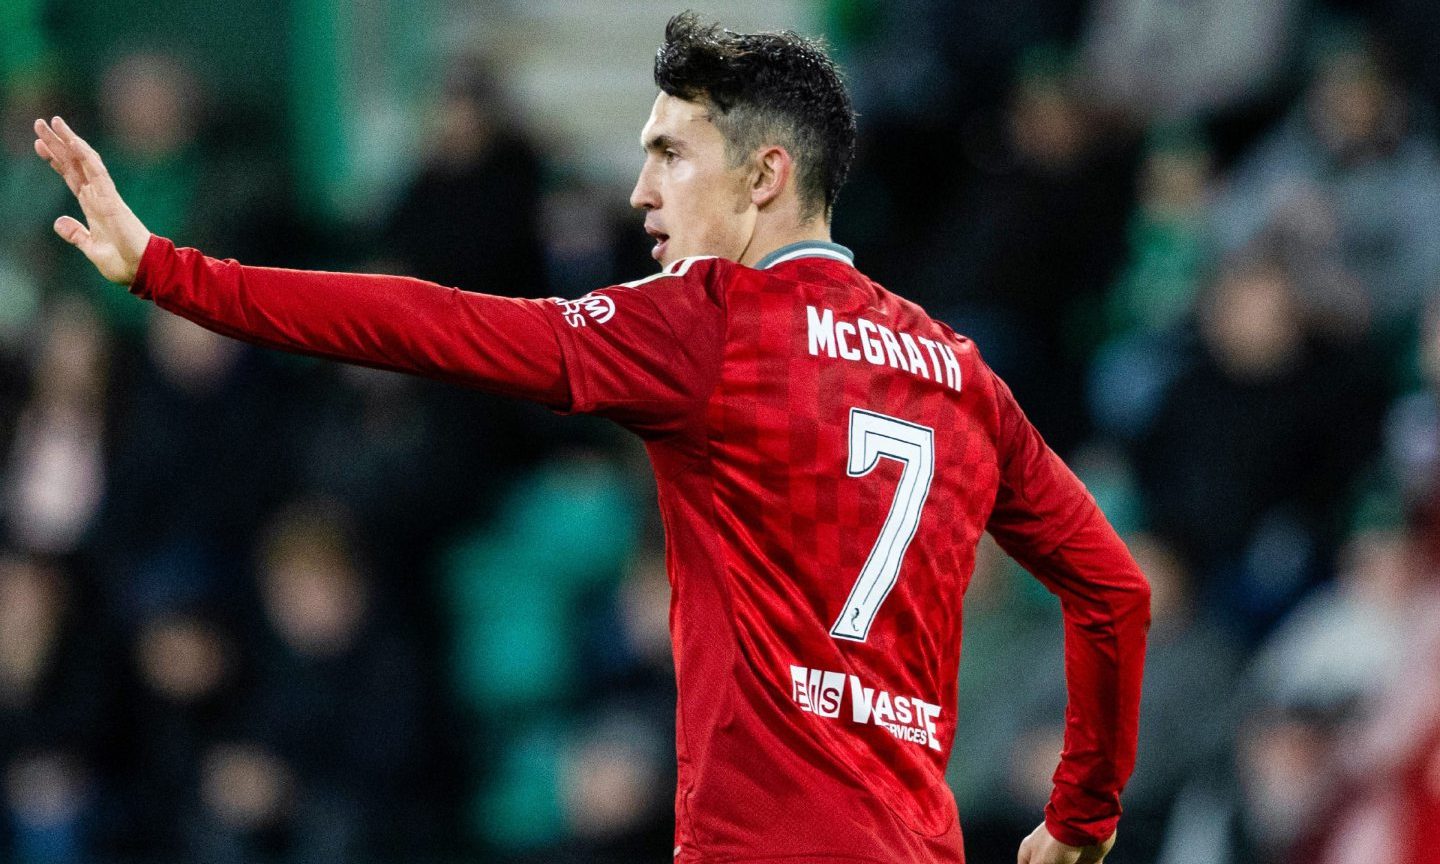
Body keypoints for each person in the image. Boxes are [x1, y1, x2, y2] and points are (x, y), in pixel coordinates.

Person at [30, 13, 1150, 864]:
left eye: (670, 154)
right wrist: (1080, 816)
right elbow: (1113, 591)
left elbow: (434, 324)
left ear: (764, 177)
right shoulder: (959, 375)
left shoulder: (710, 328)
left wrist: (175, 274)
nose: (639, 188)